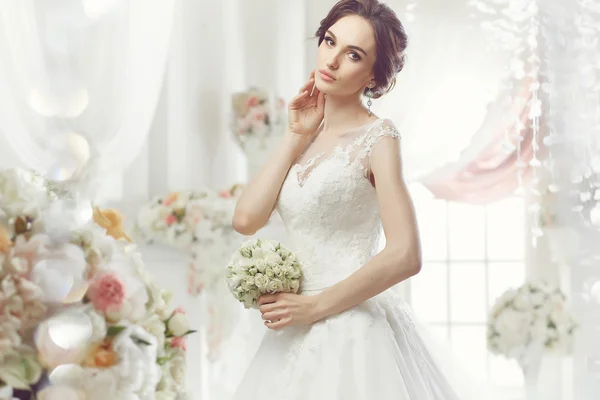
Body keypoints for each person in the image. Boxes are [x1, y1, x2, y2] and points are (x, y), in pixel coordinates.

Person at [230, 1, 476, 398]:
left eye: (354, 54)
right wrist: (296, 134)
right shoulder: (305, 133)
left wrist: (315, 307)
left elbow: (406, 254)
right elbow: (245, 219)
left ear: (373, 76)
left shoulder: (379, 139)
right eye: (330, 41)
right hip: (293, 327)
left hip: (350, 328)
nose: (332, 60)